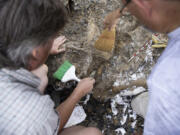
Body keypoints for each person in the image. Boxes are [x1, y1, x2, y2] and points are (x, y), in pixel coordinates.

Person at [0, 0, 102, 135]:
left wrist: (43, 50)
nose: (52, 41)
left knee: (42, 72)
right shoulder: (34, 119)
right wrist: (78, 92)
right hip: (29, 124)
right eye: (50, 40)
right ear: (34, 52)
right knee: (92, 133)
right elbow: (55, 124)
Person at [104, 0, 180, 134]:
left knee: (138, 103)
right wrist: (121, 12)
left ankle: (141, 101)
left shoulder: (165, 86)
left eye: (128, 6)